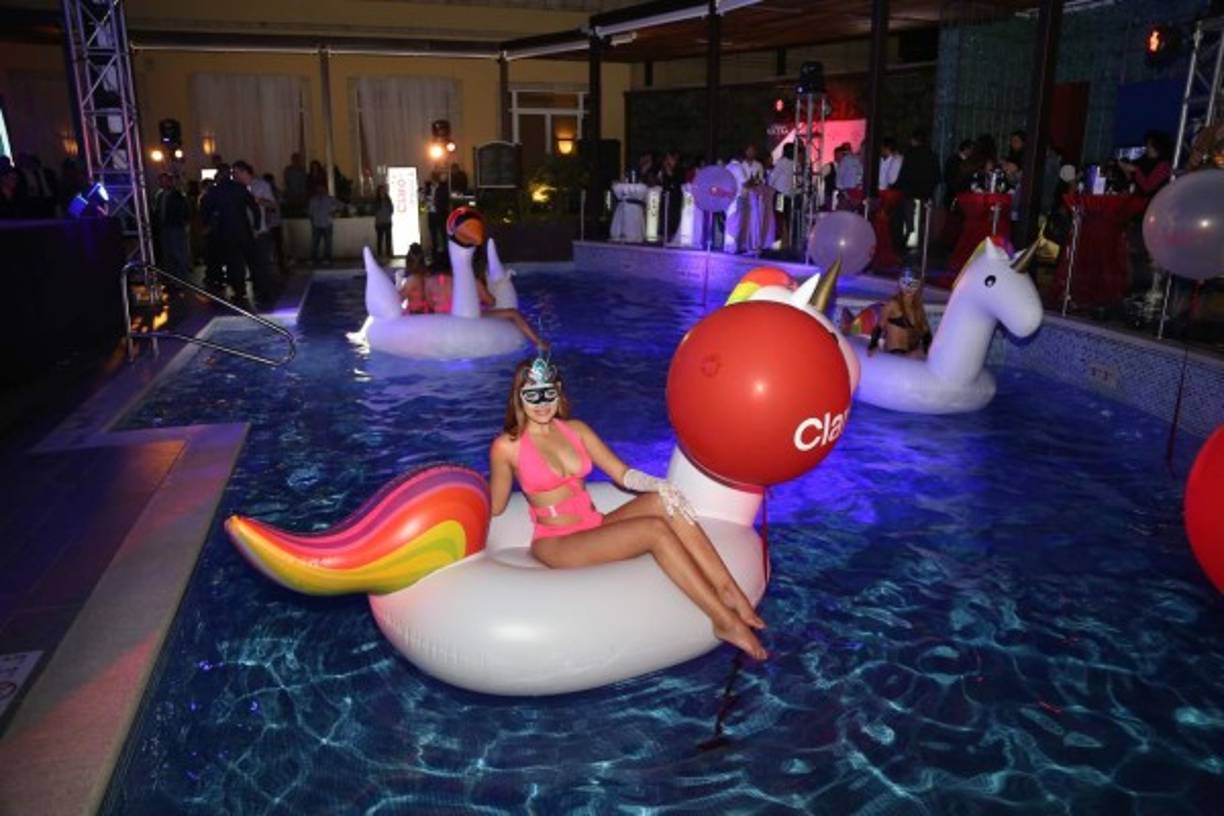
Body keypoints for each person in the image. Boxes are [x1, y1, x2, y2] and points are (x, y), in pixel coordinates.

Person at [487, 355, 767, 660]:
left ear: (558, 392)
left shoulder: (575, 430)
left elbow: (621, 473)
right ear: (519, 398)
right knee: (655, 531)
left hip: (594, 523)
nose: (542, 403)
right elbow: (497, 504)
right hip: (557, 541)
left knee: (663, 503)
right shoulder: (507, 447)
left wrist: (659, 485)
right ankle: (723, 621)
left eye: (548, 393)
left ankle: (728, 589)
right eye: (532, 395)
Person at [868, 269, 932, 357]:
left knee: (919, 353)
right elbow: (879, 326)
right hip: (894, 353)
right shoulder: (893, 305)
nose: (908, 288)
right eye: (905, 283)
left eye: (913, 284)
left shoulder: (918, 308)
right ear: (899, 284)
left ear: (919, 287)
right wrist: (872, 346)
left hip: (908, 352)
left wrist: (927, 350)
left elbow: (926, 333)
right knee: (915, 355)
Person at [1118, 130, 1172, 198]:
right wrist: (1125, 169)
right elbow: (1132, 179)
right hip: (1136, 198)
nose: (1147, 147)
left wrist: (1135, 170)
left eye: (1149, 145)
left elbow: (1147, 188)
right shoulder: (1144, 159)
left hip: (1152, 202)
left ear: (1156, 147)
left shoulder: (1164, 166)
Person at [308, 184, 340, 266]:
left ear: (325, 190)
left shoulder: (330, 199)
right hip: (316, 224)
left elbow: (339, 206)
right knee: (315, 242)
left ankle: (327, 258)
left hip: (327, 223)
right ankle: (313, 258)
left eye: (322, 189)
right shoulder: (313, 200)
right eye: (319, 189)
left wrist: (334, 213)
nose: (320, 191)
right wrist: (312, 222)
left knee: (328, 242)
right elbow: (310, 213)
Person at [398, 243, 430, 314]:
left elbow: (399, 299)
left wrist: (398, 281)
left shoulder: (411, 280)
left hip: (415, 314)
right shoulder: (428, 276)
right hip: (428, 313)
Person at [374, 184, 393, 257]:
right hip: (379, 222)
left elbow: (391, 208)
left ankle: (388, 253)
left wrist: (389, 214)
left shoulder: (388, 199)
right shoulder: (376, 200)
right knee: (380, 239)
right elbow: (374, 210)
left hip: (387, 221)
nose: (382, 191)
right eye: (381, 190)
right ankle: (380, 253)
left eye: (383, 190)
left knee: (388, 238)